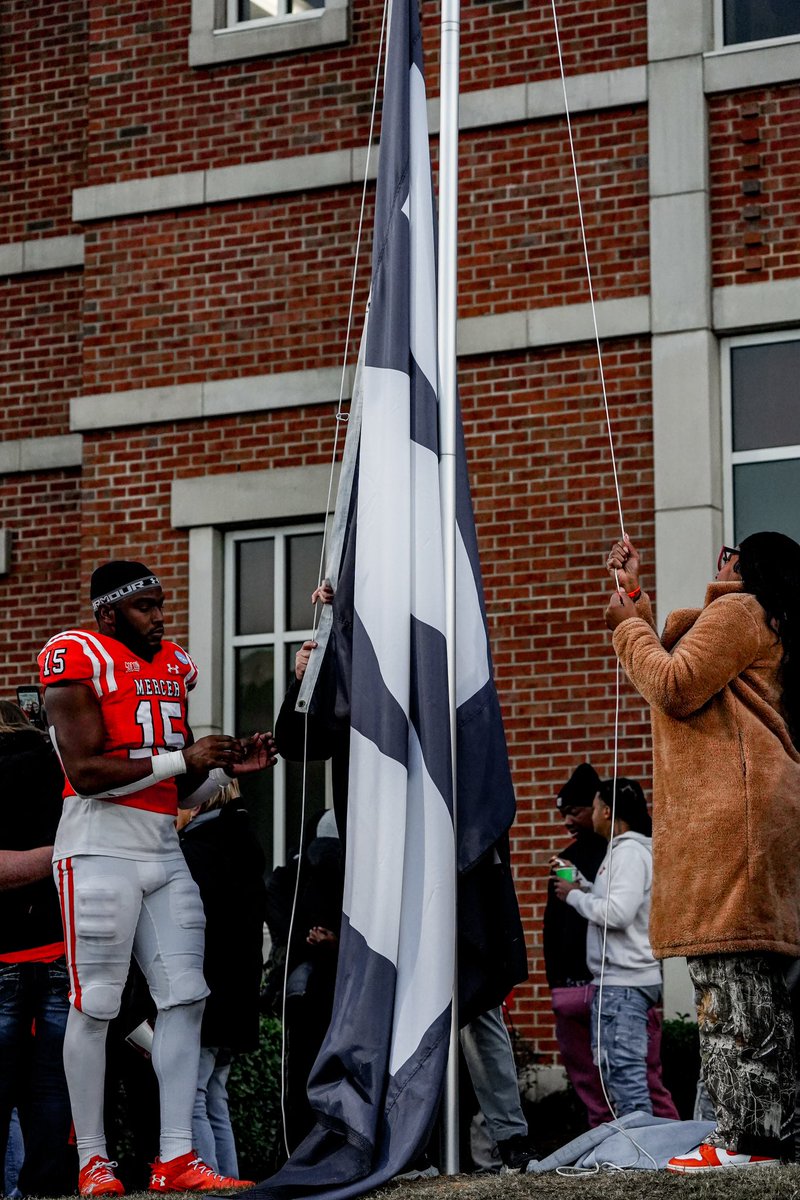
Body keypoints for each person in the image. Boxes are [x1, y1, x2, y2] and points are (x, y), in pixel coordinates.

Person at [38, 559, 276, 1196]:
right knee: (98, 1005)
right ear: (108, 614)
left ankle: (175, 1157)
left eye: (161, 603)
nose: (160, 616)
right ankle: (93, 1160)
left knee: (187, 996)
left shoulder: (172, 666)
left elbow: (184, 780)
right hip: (97, 849)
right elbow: (87, 772)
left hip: (161, 851)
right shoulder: (73, 656)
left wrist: (229, 771)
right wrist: (182, 757)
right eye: (145, 605)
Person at [605, 531, 800, 1171]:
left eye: (725, 553)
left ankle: (748, 1142)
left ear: (739, 563)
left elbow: (678, 683)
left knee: (732, 984)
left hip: (733, 826)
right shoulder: (761, 622)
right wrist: (634, 596)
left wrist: (628, 627)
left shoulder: (741, 610)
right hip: (754, 818)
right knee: (749, 982)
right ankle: (764, 1138)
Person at [543, 763, 677, 1126]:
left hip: (626, 984)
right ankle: (640, 1157)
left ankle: (645, 1163)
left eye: (595, 805)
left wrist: (573, 897)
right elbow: (614, 904)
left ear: (606, 811)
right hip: (620, 984)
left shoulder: (629, 853)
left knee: (628, 1078)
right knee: (618, 1075)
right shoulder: (622, 852)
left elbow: (618, 914)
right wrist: (584, 885)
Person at [0, 699, 77, 1197]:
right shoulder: (65, 766)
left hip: (5, 956)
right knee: (54, 1091)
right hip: (61, 949)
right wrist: (64, 853)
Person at [178, 780, 267, 1178]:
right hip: (237, 993)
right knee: (215, 1093)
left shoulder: (197, 852)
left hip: (206, 991)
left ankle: (210, 1178)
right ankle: (227, 1180)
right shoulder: (242, 844)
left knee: (191, 1094)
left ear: (195, 805)